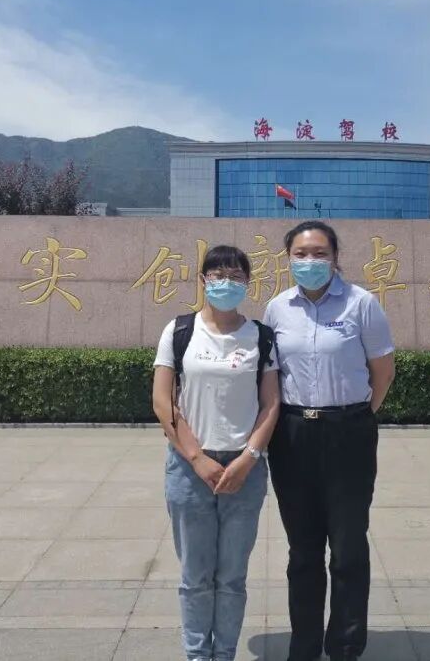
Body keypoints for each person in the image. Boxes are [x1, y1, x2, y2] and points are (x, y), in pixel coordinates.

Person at [263, 221, 397, 661]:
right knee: (302, 550)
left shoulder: (362, 303)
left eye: (319, 253)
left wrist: (355, 417)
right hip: (292, 434)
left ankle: (344, 645)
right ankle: (303, 646)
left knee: (348, 546)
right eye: (300, 254)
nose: (310, 261)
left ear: (336, 257)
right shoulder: (277, 309)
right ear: (288, 259)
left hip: (348, 432)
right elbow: (272, 375)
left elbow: (383, 372)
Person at [152, 245, 281, 661]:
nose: (227, 282)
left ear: (248, 283)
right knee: (195, 575)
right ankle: (198, 656)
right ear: (203, 280)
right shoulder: (179, 330)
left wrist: (248, 458)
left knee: (231, 577)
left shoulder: (261, 336)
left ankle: (223, 654)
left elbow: (271, 404)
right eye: (218, 274)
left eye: (236, 276)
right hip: (189, 468)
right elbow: (163, 401)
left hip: (245, 468)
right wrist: (196, 457)